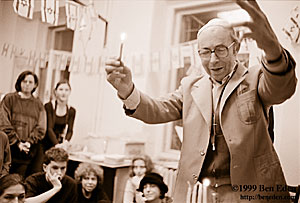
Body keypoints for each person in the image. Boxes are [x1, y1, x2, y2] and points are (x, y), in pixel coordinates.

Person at [105, 1, 297, 202]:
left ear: (236, 48)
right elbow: (158, 109)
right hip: (199, 193)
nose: (213, 60)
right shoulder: (190, 86)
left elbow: (282, 89)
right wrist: (127, 90)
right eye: (205, 52)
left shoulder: (256, 77)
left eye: (221, 49)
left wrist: (273, 50)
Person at [0, 70, 46, 178]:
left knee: (17, 182)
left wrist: (28, 142)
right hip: (7, 148)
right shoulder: (9, 99)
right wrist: (17, 142)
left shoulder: (38, 104)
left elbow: (41, 127)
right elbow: (3, 121)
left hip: (26, 152)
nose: (27, 84)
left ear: (35, 85)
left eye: (30, 82)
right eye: (24, 81)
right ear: (19, 82)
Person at [42, 80, 76, 152]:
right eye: (61, 89)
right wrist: (57, 145)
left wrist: (65, 143)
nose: (64, 93)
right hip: (45, 144)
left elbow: (70, 130)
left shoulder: (71, 110)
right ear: (55, 91)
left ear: (70, 92)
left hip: (60, 145)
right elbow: (49, 129)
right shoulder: (49, 106)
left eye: (66, 90)